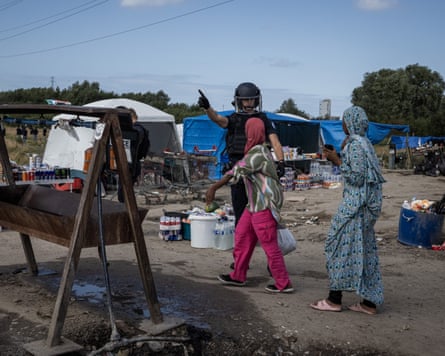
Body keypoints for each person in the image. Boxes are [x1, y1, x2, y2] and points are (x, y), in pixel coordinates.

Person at [310, 106, 385, 315]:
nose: (342, 124)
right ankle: (369, 302)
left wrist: (336, 160)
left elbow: (356, 177)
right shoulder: (365, 143)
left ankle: (334, 299)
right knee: (365, 250)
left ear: (350, 123)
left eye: (344, 120)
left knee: (336, 246)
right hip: (366, 207)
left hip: (355, 207)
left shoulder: (355, 145)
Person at [206, 117, 293, 293]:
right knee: (242, 235)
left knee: (269, 244)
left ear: (251, 133)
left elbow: (237, 170)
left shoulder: (258, 152)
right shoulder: (255, 150)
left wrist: (213, 188)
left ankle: (283, 283)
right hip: (253, 203)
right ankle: (238, 275)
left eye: (247, 131)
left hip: (264, 204)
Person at [198, 82, 285, 226]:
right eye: (246, 99)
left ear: (256, 100)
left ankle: (258, 234)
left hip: (257, 169)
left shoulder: (263, 119)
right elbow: (218, 119)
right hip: (237, 167)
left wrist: (281, 162)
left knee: (260, 206)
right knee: (239, 207)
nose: (249, 102)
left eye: (252, 99)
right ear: (239, 100)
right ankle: (243, 234)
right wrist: (208, 108)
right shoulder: (234, 118)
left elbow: (275, 142)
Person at [117, 107, 149, 203]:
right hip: (127, 163)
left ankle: (127, 212)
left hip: (133, 164)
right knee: (123, 192)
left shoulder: (138, 129)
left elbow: (135, 135)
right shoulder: (134, 129)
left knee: (125, 193)